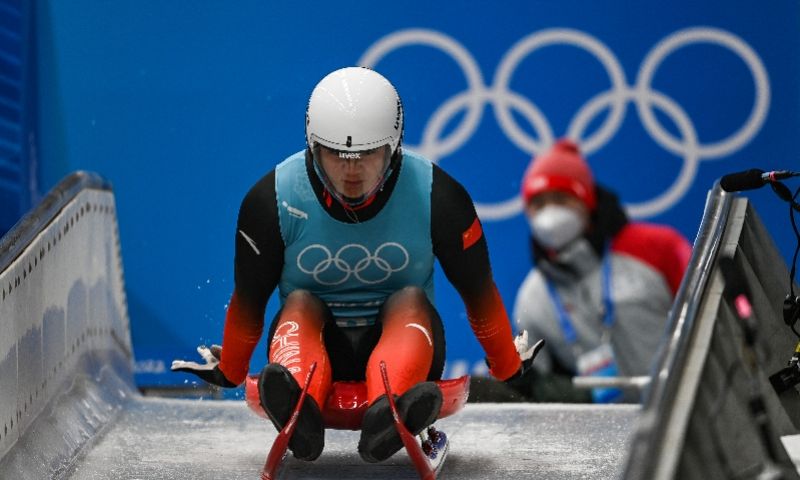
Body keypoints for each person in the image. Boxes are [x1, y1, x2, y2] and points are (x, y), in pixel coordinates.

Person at [172, 67, 536, 463]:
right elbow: (249, 298)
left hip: (408, 341)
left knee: (409, 299)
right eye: (336, 156)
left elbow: (477, 290)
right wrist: (231, 369)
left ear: (393, 149)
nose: (352, 172)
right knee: (300, 302)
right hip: (314, 344)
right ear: (313, 148)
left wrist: (505, 364)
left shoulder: (440, 198)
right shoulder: (271, 199)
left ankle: (387, 410)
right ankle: (301, 406)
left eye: (367, 156)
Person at [513, 139, 693, 403]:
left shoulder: (657, 248)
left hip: (690, 410)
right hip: (610, 426)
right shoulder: (532, 298)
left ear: (586, 201)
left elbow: (712, 319)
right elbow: (536, 389)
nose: (549, 214)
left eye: (561, 199)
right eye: (538, 204)